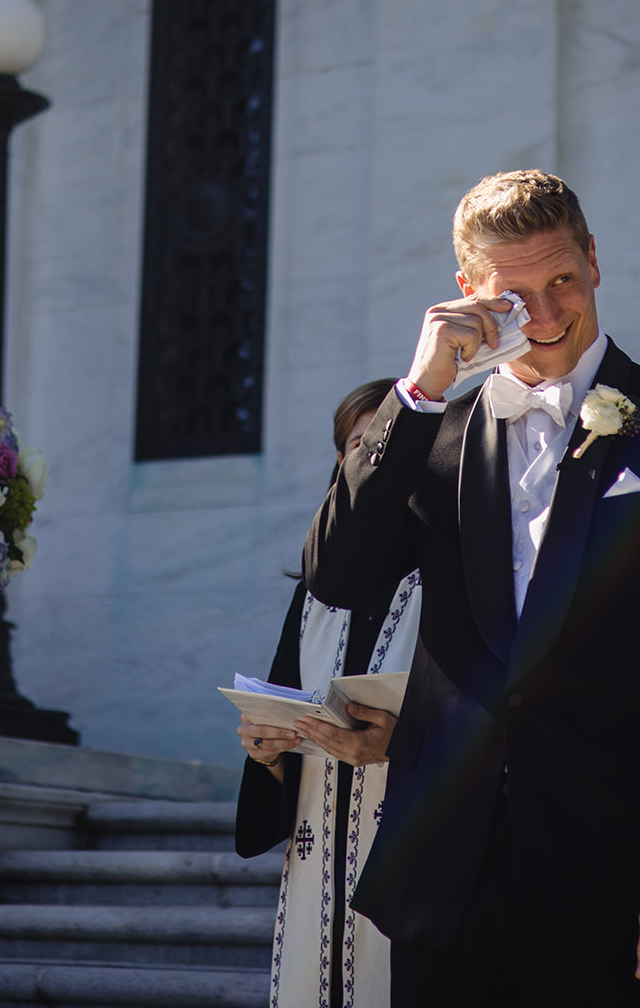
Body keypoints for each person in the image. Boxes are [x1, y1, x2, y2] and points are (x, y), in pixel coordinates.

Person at [303, 170, 640, 1006]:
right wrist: (416, 392)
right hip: (443, 888)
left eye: (562, 278)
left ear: (594, 260)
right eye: (516, 294)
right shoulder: (430, 433)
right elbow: (338, 577)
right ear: (468, 295)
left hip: (623, 885)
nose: (549, 312)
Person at [235, 378, 422, 1008]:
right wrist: (267, 751)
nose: (371, 458)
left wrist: (406, 741)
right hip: (317, 866)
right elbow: (286, 724)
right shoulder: (314, 591)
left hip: (414, 858)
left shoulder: (452, 579)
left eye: (386, 443)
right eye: (356, 445)